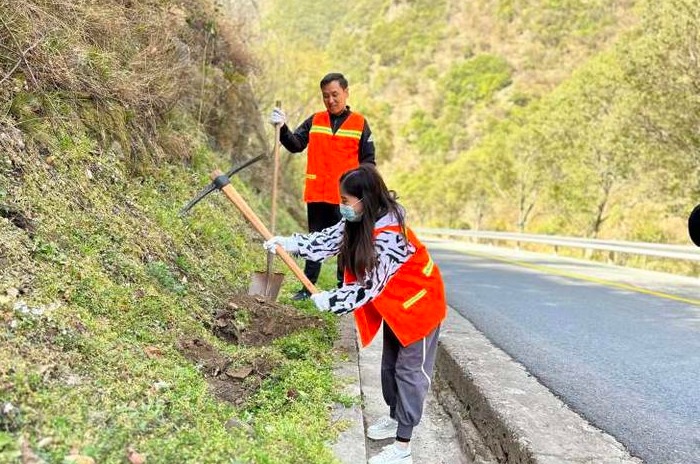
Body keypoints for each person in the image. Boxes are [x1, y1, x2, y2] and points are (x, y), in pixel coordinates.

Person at [263, 165, 446, 464]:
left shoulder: (391, 236)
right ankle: (393, 418)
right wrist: (290, 243)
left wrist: (332, 300)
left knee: (410, 373)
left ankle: (403, 448)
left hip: (421, 307)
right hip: (398, 306)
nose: (342, 207)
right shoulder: (360, 219)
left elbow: (369, 287)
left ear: (366, 199)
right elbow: (327, 240)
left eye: (346, 201)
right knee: (389, 367)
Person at [269, 72, 376, 300]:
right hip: (318, 192)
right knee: (315, 238)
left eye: (335, 95)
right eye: (325, 96)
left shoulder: (359, 123)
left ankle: (342, 288)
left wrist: (363, 193)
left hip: (345, 198)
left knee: (347, 241)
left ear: (346, 93)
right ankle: (308, 287)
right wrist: (282, 127)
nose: (331, 100)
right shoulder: (315, 120)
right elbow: (296, 145)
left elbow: (369, 162)